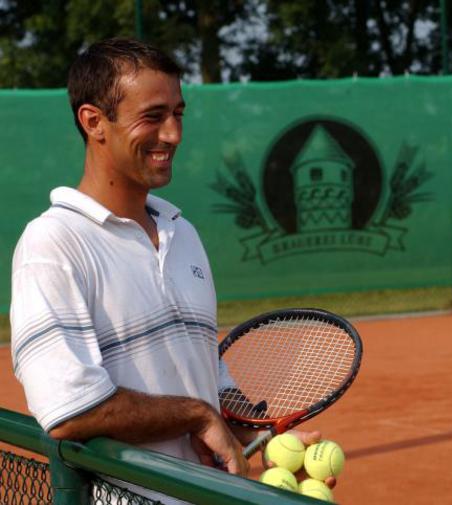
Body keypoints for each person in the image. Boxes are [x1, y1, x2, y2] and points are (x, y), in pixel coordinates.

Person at [10, 38, 327, 502]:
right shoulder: (53, 243)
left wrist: (261, 434)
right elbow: (69, 407)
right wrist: (196, 416)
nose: (174, 133)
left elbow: (204, 371)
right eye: (153, 116)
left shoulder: (183, 233)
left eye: (178, 113)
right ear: (94, 122)